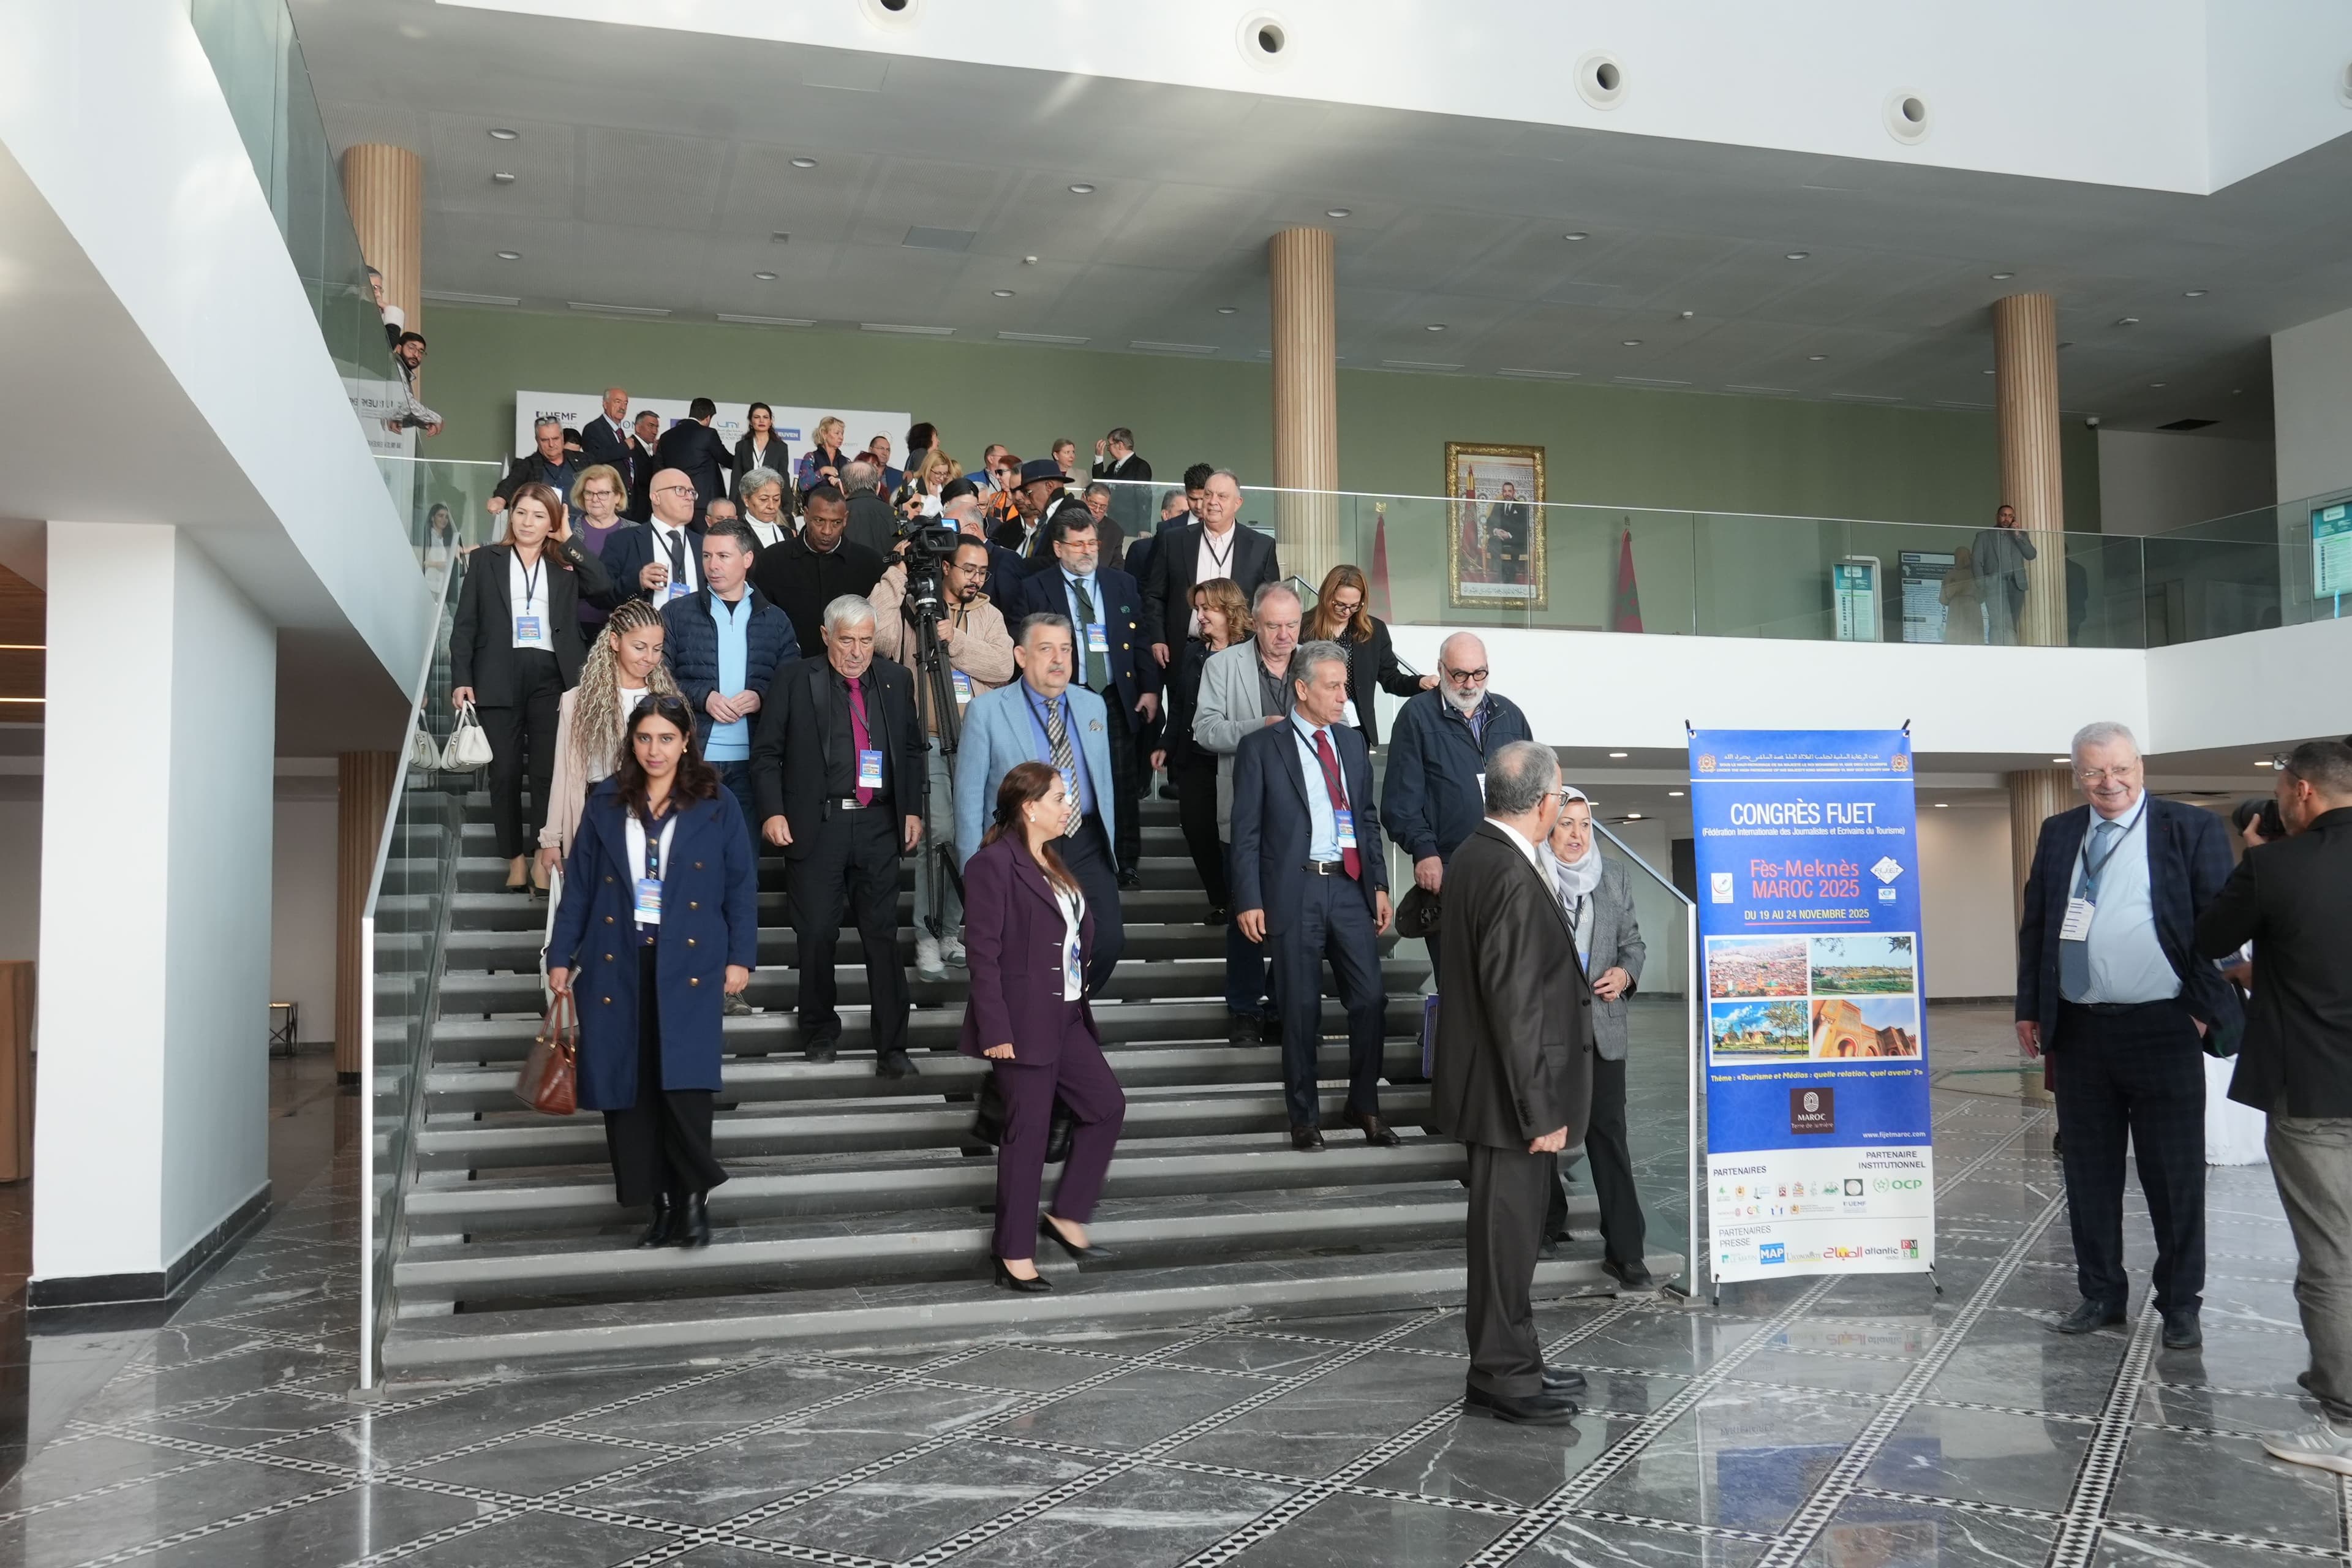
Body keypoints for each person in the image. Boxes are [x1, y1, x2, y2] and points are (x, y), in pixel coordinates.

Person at [2017, 720, 2240, 1349]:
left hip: (2162, 1026)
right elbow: (2037, 924)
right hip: (2080, 1028)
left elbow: (2215, 927)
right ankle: (2102, 1293)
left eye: (2118, 768)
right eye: (2092, 771)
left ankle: (2179, 1304)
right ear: (2076, 775)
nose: (2107, 782)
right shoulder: (2060, 832)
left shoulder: (2186, 827)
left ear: (2140, 767)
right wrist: (2029, 1006)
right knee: (2088, 1172)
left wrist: (2197, 1010)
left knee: (2174, 1175)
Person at [546, 695, 757, 1251]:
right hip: (617, 960)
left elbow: (740, 884)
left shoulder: (718, 802)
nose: (654, 750)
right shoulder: (605, 802)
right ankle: (658, 1205)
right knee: (628, 1088)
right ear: (631, 742)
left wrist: (741, 957)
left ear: (686, 741)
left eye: (666, 738)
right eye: (645, 738)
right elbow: (582, 889)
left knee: (685, 1085)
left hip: (689, 962)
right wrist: (560, 956)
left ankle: (692, 1200)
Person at [2194, 740, 2352, 1475]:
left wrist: (2259, 854)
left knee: (2332, 1256)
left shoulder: (2276, 864)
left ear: (2299, 792)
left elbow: (2210, 939)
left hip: (2313, 1089)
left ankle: (2346, 1421)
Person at [1432, 740, 1592, 1425]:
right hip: (1510, 1098)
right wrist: (1539, 1110)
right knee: (1506, 1239)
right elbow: (1515, 1004)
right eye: (1560, 795)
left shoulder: (1477, 854)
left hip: (1495, 1090)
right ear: (1545, 804)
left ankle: (1515, 1361)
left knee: (1513, 1238)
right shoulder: (1505, 870)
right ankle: (1502, 1375)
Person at [962, 762, 1129, 1292]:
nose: (1067, 806)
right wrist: (995, 1029)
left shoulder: (1053, 862)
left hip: (1068, 1016)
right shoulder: (992, 866)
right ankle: (1012, 1254)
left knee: (1106, 1106)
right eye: (1059, 798)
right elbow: (982, 957)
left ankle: (1066, 1214)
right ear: (1029, 807)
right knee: (1027, 1138)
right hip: (1020, 1022)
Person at [750, 595, 926, 1077]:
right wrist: (773, 812)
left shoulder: (895, 680)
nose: (856, 652)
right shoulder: (793, 678)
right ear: (826, 636)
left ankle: (892, 1047)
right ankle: (820, 1029)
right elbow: (765, 753)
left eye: (866, 641)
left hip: (879, 825)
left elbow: (912, 751)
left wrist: (913, 809)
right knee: (817, 935)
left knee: (883, 939)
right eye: (846, 640)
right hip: (817, 824)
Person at [1231, 640, 1395, 1152]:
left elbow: (1366, 819)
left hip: (1348, 887)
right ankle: (1304, 1118)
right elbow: (1246, 832)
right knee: (1300, 1010)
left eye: (1344, 685)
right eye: (1333, 686)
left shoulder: (1350, 743)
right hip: (1293, 888)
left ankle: (1363, 1103)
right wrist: (1248, 898)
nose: (1344, 695)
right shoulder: (1262, 748)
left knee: (1370, 998)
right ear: (1302, 689)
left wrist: (1380, 883)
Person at [450, 482, 614, 895]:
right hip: (497, 675)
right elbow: (465, 624)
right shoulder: (486, 560)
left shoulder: (564, 561)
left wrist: (569, 540)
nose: (528, 522)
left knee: (547, 774)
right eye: (521, 512)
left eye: (540, 515)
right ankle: (515, 860)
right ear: (511, 515)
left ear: (552, 522)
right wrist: (461, 678)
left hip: (553, 677)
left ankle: (545, 859)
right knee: (504, 773)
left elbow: (604, 586)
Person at [872, 537, 1016, 978]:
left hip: (978, 742)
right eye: (968, 570)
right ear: (945, 567)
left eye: (982, 572)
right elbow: (878, 639)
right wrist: (897, 570)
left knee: (969, 838)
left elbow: (1004, 667)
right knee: (940, 833)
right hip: (928, 740)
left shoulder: (989, 614)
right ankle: (926, 935)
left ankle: (951, 933)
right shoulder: (912, 606)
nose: (975, 579)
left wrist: (955, 642)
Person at [956, 615, 1124, 989]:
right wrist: (974, 871)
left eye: (1065, 649)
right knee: (1035, 948)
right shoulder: (986, 711)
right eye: (1046, 649)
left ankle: (1066, 1013)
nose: (1059, 660)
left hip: (1085, 839)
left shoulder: (1092, 705)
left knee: (1108, 940)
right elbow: (968, 796)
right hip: (1024, 844)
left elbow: (1103, 781)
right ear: (1021, 655)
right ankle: (1042, 1021)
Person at [1000, 514, 1157, 886]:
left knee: (1120, 780)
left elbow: (1140, 640)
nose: (1088, 551)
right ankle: (1055, 853)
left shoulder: (1122, 584)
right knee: (1061, 777)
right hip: (1062, 699)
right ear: (1058, 548)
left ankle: (1125, 860)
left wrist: (1150, 688)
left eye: (1092, 543)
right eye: (1079, 544)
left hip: (1115, 698)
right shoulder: (1034, 588)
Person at [1541, 790, 1649, 1285]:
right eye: (1566, 824)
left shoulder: (1614, 879)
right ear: (1547, 827)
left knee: (1609, 1135)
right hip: (1545, 1029)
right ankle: (1544, 1224)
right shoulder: (1532, 877)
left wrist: (1625, 976)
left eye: (1585, 824)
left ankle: (1626, 1250)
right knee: (1540, 1133)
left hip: (1602, 1027)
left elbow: (1633, 944)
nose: (1577, 835)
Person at [1382, 632, 1535, 973]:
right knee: (1459, 981)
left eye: (1479, 673)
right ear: (1440, 669)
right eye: (1459, 674)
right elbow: (1399, 801)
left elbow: (1534, 791)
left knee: (1512, 978)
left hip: (1511, 869)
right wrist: (1424, 851)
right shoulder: (1416, 717)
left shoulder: (1510, 715)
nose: (1470, 684)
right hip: (1450, 871)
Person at [1193, 582, 1305, 1044]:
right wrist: (1262, 728)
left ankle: (1281, 1004)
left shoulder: (1316, 662)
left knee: (1297, 915)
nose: (1283, 635)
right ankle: (1244, 1009)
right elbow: (1205, 730)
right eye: (1274, 625)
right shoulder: (1222, 664)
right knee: (1244, 916)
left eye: (1292, 625)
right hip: (1243, 812)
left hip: (1303, 815)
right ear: (1255, 622)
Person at [659, 519, 799, 864]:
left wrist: (761, 697)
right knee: (688, 862)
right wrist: (702, 696)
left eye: (723, 555)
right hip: (694, 758)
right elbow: (657, 677)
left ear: (748, 560)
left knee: (741, 865)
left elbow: (793, 682)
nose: (713, 565)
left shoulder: (776, 619)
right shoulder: (676, 614)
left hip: (753, 764)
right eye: (707, 556)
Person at [538, 600, 680, 876]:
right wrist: (551, 839)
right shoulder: (577, 701)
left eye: (657, 649)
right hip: (599, 812)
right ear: (615, 641)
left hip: (657, 814)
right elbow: (564, 773)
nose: (649, 658)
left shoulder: (669, 702)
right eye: (639, 647)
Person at [1153, 579, 1248, 921]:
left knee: (1234, 833)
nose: (1201, 615)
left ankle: (1242, 898)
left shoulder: (1251, 652)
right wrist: (1166, 742)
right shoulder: (1194, 652)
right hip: (1194, 759)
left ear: (1229, 610)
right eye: (1198, 608)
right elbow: (1180, 703)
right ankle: (1221, 899)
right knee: (1197, 829)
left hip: (1234, 760)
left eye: (1207, 608)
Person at [1142, 470, 1281, 669]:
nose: (1212, 501)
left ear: (1238, 503)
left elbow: (1270, 604)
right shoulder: (1173, 540)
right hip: (1182, 653)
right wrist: (1157, 638)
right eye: (1208, 494)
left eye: (1222, 496)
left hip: (1240, 655)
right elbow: (1154, 595)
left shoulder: (1261, 547)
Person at [1305, 564, 1434, 748]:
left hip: (1356, 727)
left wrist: (1419, 682)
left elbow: (1391, 679)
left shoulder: (1374, 631)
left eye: (1354, 606)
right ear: (1326, 596)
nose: (1346, 612)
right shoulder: (1303, 627)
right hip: (1312, 722)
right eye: (1340, 604)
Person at [751, 484, 886, 655]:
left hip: (852, 674)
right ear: (806, 515)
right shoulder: (772, 560)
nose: (827, 531)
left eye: (836, 523)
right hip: (789, 671)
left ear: (845, 519)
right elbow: (759, 624)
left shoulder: (870, 564)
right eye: (819, 521)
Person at [605, 470, 707, 611]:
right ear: (656, 498)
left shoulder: (702, 544)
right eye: (680, 490)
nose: (689, 497)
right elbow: (601, 597)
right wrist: (637, 582)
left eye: (692, 492)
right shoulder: (622, 541)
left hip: (694, 631)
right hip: (644, 629)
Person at [568, 464, 635, 645]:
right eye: (589, 493)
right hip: (574, 626)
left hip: (621, 628)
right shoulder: (567, 530)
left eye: (603, 493)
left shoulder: (636, 533)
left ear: (618, 496)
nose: (595, 499)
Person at [654, 397, 734, 522]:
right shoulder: (708, 434)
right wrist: (745, 458)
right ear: (708, 418)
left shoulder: (666, 437)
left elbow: (659, 469)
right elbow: (726, 459)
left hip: (675, 502)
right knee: (704, 541)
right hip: (704, 504)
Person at [1975, 503, 2039, 646]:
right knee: (1997, 622)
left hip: (2016, 584)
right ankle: (1996, 649)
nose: (2006, 519)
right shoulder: (1984, 536)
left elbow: (2031, 555)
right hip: (1994, 584)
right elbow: (1977, 562)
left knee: (2012, 622)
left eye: (2010, 516)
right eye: (2004, 515)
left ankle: (2011, 651)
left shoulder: (2020, 536)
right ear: (1997, 516)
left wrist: (2017, 535)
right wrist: (1982, 585)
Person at [489, 417, 577, 519]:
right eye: (545, 440)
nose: (551, 444)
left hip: (580, 529)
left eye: (555, 439)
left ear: (562, 437)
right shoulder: (528, 465)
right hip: (544, 529)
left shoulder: (583, 460)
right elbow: (512, 481)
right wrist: (500, 499)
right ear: (537, 440)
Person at [993, 458, 1066, 560]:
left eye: (1024, 490)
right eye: (1013, 491)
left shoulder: (1061, 524)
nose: (1018, 497)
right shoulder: (1002, 532)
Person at [385, 332, 443, 437]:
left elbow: (401, 411)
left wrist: (423, 423)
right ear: (398, 348)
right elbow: (407, 403)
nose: (416, 355)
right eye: (412, 348)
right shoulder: (395, 366)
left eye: (421, 352)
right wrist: (435, 419)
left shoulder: (403, 371)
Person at [841, 460, 900, 557]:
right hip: (888, 571)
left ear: (842, 488)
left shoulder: (833, 518)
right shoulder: (898, 517)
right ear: (878, 488)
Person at [734, 403, 788, 500]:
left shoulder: (781, 447)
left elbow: (783, 478)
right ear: (751, 421)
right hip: (747, 499)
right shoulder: (741, 446)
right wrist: (733, 506)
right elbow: (736, 477)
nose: (762, 421)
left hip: (770, 500)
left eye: (766, 417)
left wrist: (786, 509)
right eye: (757, 417)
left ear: (771, 421)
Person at [1484, 482, 1531, 584]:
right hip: (1500, 538)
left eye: (1509, 491)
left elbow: (1524, 527)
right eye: (1505, 491)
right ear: (1503, 492)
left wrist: (1509, 535)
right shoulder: (1498, 504)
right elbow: (1490, 521)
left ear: (1514, 492)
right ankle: (1501, 574)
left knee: (1516, 545)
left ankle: (1510, 577)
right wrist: (1496, 531)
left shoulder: (1521, 507)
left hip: (1515, 538)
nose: (1507, 494)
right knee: (1492, 542)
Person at [1940, 545, 1986, 645]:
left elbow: (1943, 599)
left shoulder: (1950, 575)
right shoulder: (1976, 574)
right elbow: (1982, 597)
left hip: (1955, 610)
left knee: (1955, 641)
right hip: (1973, 609)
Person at [579, 388, 633, 473]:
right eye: (618, 402)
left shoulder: (620, 432)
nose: (623, 407)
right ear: (605, 404)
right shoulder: (593, 428)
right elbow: (594, 458)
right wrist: (624, 447)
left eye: (626, 403)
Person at [739, 467, 793, 550]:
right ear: (746, 499)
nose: (771, 506)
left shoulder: (786, 533)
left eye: (776, 499)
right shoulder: (736, 535)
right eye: (764, 499)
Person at [796, 416, 851, 497]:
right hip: (816, 507)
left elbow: (852, 489)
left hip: (839, 508)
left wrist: (840, 482)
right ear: (824, 434)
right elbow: (803, 485)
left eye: (842, 433)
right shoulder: (811, 457)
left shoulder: (846, 461)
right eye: (837, 433)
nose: (841, 437)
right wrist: (823, 471)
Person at [624, 410, 663, 522]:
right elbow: (645, 477)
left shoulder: (650, 450)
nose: (655, 431)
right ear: (638, 427)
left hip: (646, 512)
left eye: (657, 427)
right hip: (635, 512)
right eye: (651, 426)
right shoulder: (630, 447)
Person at [866, 432, 905, 497]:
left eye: (888, 450)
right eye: (881, 448)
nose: (885, 453)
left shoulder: (899, 476)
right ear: (870, 450)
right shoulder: (860, 474)